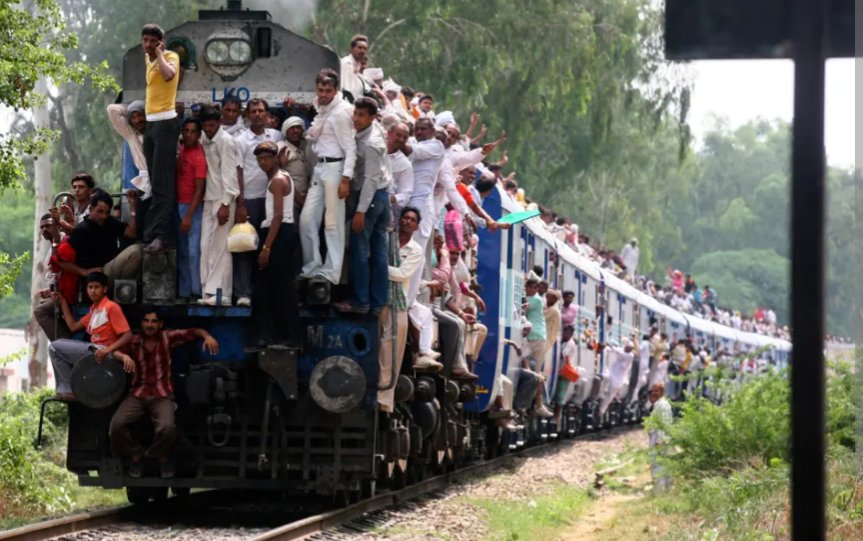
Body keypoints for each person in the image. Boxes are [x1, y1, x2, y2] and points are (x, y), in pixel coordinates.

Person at [109, 310, 219, 478]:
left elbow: (193, 331)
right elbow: (115, 349)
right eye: (146, 321)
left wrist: (208, 337)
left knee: (167, 428)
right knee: (115, 427)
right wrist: (124, 357)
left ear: (160, 324)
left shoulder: (167, 337)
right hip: (138, 394)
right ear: (141, 323)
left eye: (154, 321)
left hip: (162, 395)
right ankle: (136, 453)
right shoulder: (134, 341)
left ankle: (156, 454)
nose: (150, 325)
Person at [299, 68, 356, 284]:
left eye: (328, 90)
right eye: (321, 89)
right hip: (320, 168)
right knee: (306, 220)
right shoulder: (322, 109)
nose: (323, 94)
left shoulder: (341, 112)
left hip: (335, 169)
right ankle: (312, 266)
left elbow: (350, 149)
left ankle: (331, 272)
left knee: (332, 223)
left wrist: (345, 179)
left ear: (336, 90)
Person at [335, 98, 391, 314]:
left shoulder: (371, 143)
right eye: (355, 114)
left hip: (372, 198)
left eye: (361, 115)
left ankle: (359, 301)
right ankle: (377, 302)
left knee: (360, 250)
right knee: (379, 253)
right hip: (382, 196)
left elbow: (370, 180)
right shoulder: (372, 130)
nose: (356, 119)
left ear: (372, 118)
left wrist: (360, 211)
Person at [48, 272, 135, 400]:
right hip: (95, 351)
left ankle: (68, 390)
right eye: (90, 287)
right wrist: (62, 301)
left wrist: (107, 350)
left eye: (97, 287)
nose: (93, 291)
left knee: (54, 348)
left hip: (105, 354)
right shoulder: (94, 310)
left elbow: (128, 335)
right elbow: (73, 326)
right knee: (58, 345)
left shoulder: (111, 307)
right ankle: (67, 388)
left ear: (104, 289)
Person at [234, 99, 285, 306]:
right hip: (251, 200)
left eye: (261, 111)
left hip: (273, 200)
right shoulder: (241, 140)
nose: (257, 114)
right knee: (245, 245)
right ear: (247, 115)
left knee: (269, 247)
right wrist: (241, 203)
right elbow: (238, 171)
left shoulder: (276, 136)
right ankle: (244, 293)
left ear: (267, 114)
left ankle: (266, 292)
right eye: (253, 111)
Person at [249, 141, 300, 346]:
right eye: (260, 159)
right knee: (277, 287)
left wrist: (266, 248)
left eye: (267, 158)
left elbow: (278, 216)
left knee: (275, 288)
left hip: (278, 234)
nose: (263, 162)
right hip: (282, 233)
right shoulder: (283, 176)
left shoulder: (277, 180)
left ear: (276, 158)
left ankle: (285, 336)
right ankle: (280, 335)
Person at [378, 207, 424, 412]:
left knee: (392, 353)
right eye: (405, 217)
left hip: (398, 303)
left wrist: (378, 267)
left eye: (412, 220)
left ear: (417, 226)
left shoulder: (415, 250)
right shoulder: (387, 240)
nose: (408, 221)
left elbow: (402, 273)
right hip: (379, 298)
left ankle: (384, 399)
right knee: (376, 347)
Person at [140, 23, 180, 253]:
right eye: (145, 40)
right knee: (156, 182)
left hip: (166, 122)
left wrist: (160, 55)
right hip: (152, 123)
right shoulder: (147, 59)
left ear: (159, 42)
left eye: (152, 41)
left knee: (164, 183)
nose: (147, 45)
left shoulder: (169, 56)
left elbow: (169, 75)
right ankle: (156, 232)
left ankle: (161, 236)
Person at [198, 106, 240, 305]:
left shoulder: (226, 141)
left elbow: (231, 175)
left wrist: (226, 203)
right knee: (205, 246)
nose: (208, 128)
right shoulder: (204, 139)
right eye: (205, 125)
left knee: (222, 248)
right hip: (209, 198)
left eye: (211, 125)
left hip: (224, 199)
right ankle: (207, 292)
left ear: (219, 123)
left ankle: (222, 295)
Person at [61, 191, 141, 281]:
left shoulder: (110, 222)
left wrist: (133, 208)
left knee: (138, 249)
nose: (103, 216)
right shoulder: (81, 230)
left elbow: (132, 233)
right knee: (135, 250)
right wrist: (84, 271)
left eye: (107, 212)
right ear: (91, 209)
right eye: (100, 211)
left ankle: (123, 288)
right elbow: (61, 261)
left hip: (110, 272)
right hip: (94, 277)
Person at [176, 118, 207, 300]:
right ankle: (184, 291)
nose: (189, 135)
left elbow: (199, 190)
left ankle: (196, 291)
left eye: (193, 131)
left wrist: (188, 215)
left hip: (192, 207)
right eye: (185, 131)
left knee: (194, 252)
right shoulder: (181, 151)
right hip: (178, 205)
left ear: (199, 134)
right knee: (182, 251)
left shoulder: (198, 157)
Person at [107, 101, 149, 201]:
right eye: (133, 118)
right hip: (144, 184)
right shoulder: (132, 135)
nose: (137, 120)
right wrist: (131, 109)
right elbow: (111, 109)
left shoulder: (157, 131)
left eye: (140, 115)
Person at [278, 116, 314, 214]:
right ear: (285, 131)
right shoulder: (281, 147)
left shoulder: (306, 147)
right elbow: (278, 176)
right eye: (292, 128)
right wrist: (299, 199)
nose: (296, 131)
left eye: (298, 128)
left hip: (307, 198)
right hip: (290, 201)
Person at [386, 121, 414, 222]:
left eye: (405, 137)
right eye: (398, 135)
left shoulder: (405, 164)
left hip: (385, 209)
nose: (401, 139)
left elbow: (406, 194)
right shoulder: (376, 150)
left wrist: (392, 199)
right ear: (389, 133)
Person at [647, 382, 673, 491]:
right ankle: (667, 490)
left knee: (657, 466)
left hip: (659, 440)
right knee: (665, 466)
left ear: (662, 392)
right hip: (661, 439)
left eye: (656, 391)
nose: (653, 393)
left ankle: (658, 492)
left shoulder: (661, 405)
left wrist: (660, 440)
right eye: (652, 390)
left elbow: (663, 423)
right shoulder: (661, 404)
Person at [524, 279, 548, 365]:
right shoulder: (532, 298)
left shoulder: (536, 299)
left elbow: (523, 309)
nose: (531, 289)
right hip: (536, 335)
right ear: (525, 287)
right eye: (529, 287)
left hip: (536, 335)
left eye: (534, 288)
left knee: (532, 364)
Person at [339, 34, 369, 101]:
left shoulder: (358, 66)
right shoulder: (347, 63)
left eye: (365, 49)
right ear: (351, 49)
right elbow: (347, 88)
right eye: (360, 48)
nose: (362, 51)